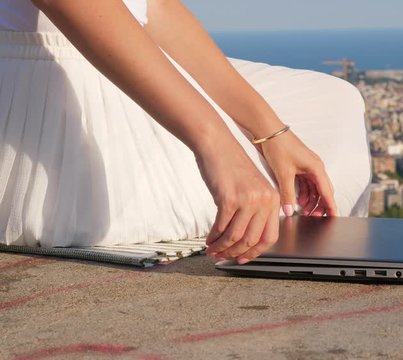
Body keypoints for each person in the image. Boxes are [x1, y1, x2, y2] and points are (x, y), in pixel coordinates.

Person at [0, 0, 372, 264]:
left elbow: (150, 6)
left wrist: (270, 132)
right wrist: (219, 149)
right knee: (216, 203)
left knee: (335, 103)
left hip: (120, 58)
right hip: (49, 88)